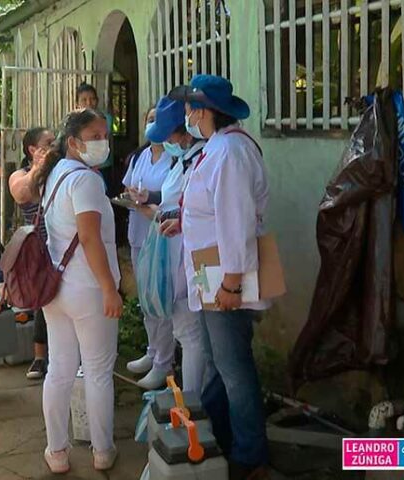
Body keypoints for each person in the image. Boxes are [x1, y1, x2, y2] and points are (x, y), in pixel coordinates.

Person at [164, 74, 270, 479]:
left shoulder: (228, 152)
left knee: (234, 370)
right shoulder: (218, 149)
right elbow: (210, 210)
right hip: (215, 271)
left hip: (226, 274)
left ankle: (249, 455)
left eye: (191, 108)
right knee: (221, 364)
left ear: (204, 111)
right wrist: (182, 220)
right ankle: (219, 436)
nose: (187, 115)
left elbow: (236, 221)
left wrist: (232, 283)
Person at [32, 109, 123, 474]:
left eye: (105, 134)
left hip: (56, 288)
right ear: (73, 142)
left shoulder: (54, 175)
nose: (102, 141)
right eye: (94, 135)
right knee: (98, 371)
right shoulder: (85, 181)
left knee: (60, 370)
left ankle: (56, 452)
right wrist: (109, 289)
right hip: (88, 289)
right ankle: (102, 451)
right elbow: (88, 238)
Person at [145, 95, 208, 394]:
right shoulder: (184, 159)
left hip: (191, 255)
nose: (165, 141)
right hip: (177, 251)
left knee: (191, 331)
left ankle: (193, 402)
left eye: (167, 135)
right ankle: (191, 396)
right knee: (186, 329)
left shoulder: (200, 159)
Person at [122, 106, 175, 391]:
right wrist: (132, 198)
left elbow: (171, 199)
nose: (152, 124)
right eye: (149, 119)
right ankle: (153, 351)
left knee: (160, 301)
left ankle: (164, 363)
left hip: (161, 237)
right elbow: (129, 188)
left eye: (158, 119)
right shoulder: (141, 156)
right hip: (138, 234)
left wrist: (148, 203)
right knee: (145, 300)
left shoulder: (174, 157)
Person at [8, 127, 57, 380]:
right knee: (42, 303)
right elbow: (22, 193)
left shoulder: (60, 169)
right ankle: (40, 357)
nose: (53, 145)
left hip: (64, 249)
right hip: (39, 250)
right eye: (47, 143)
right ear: (31, 150)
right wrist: (39, 168)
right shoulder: (20, 174)